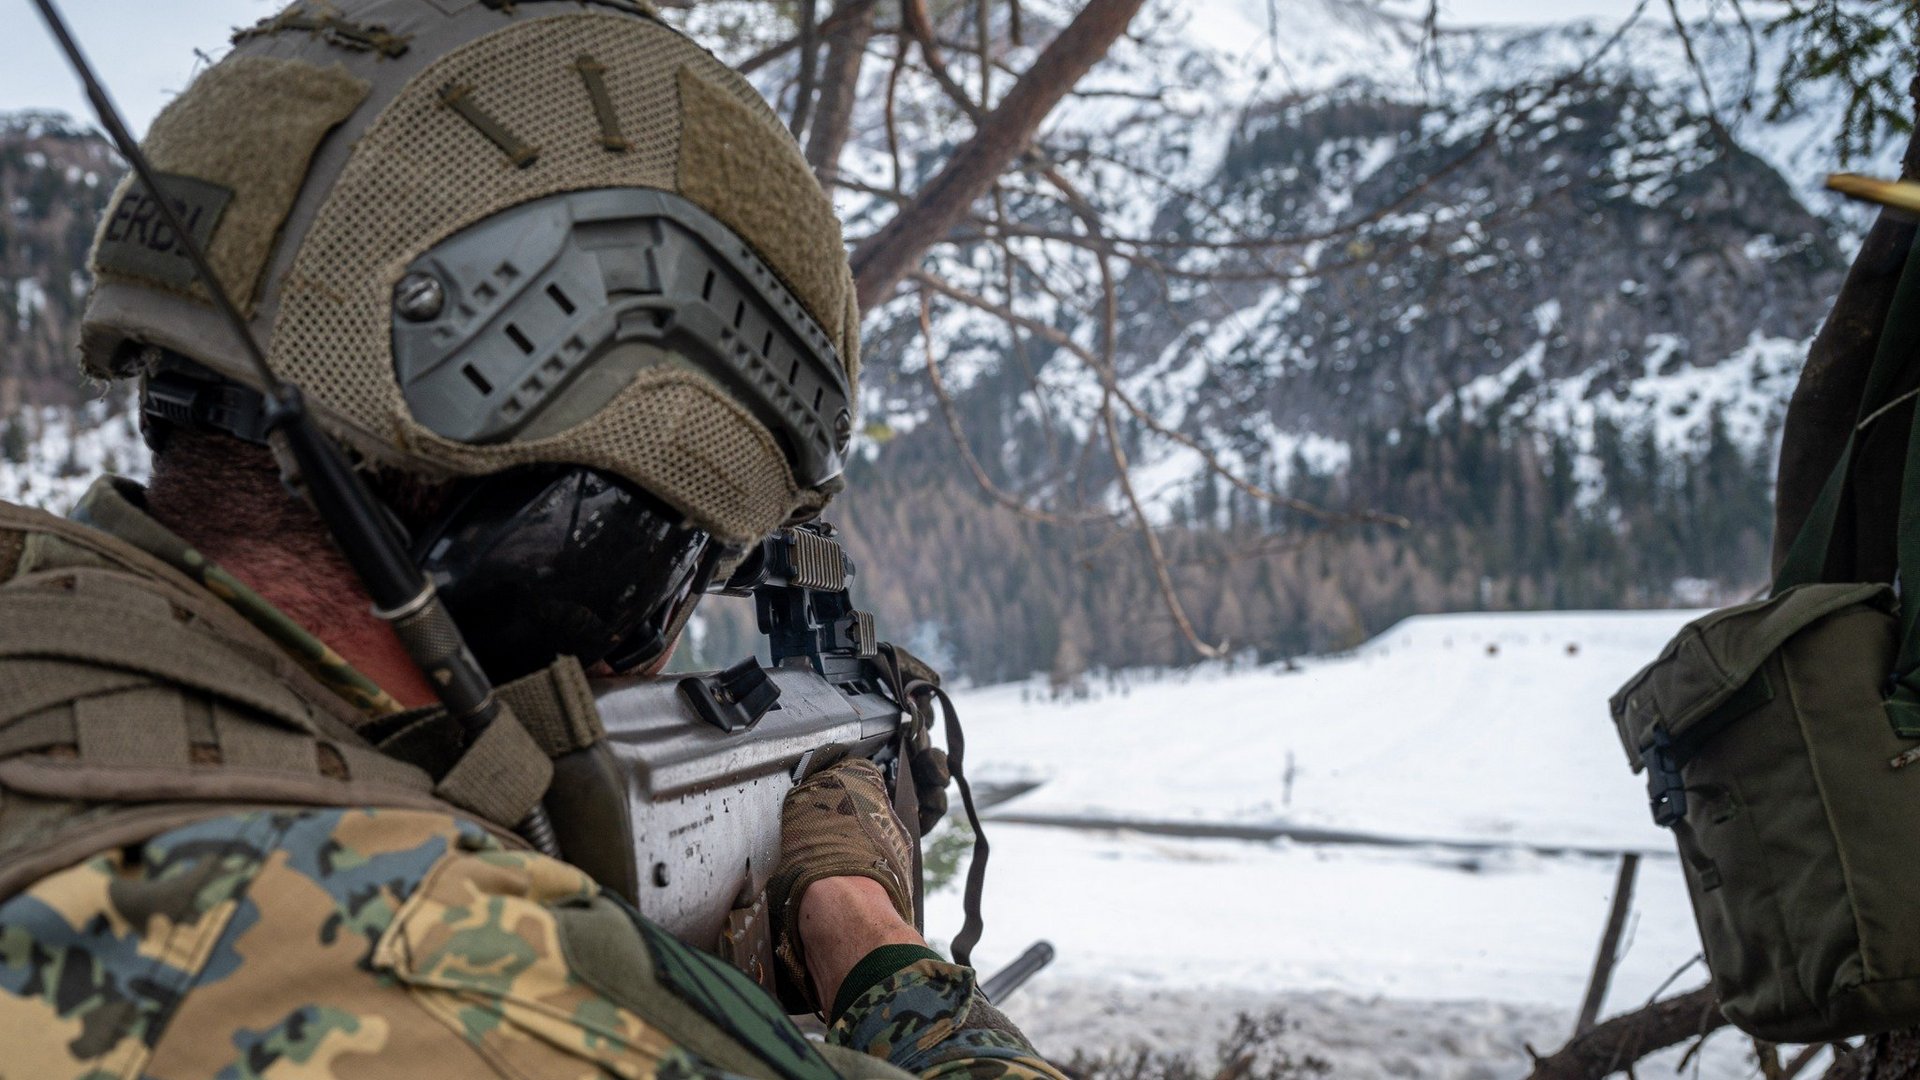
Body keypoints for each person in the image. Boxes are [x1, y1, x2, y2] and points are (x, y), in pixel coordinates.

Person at [0, 2, 1065, 1077]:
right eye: (690, 569)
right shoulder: (449, 985)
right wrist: (864, 931)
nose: (656, 647)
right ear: (584, 556)